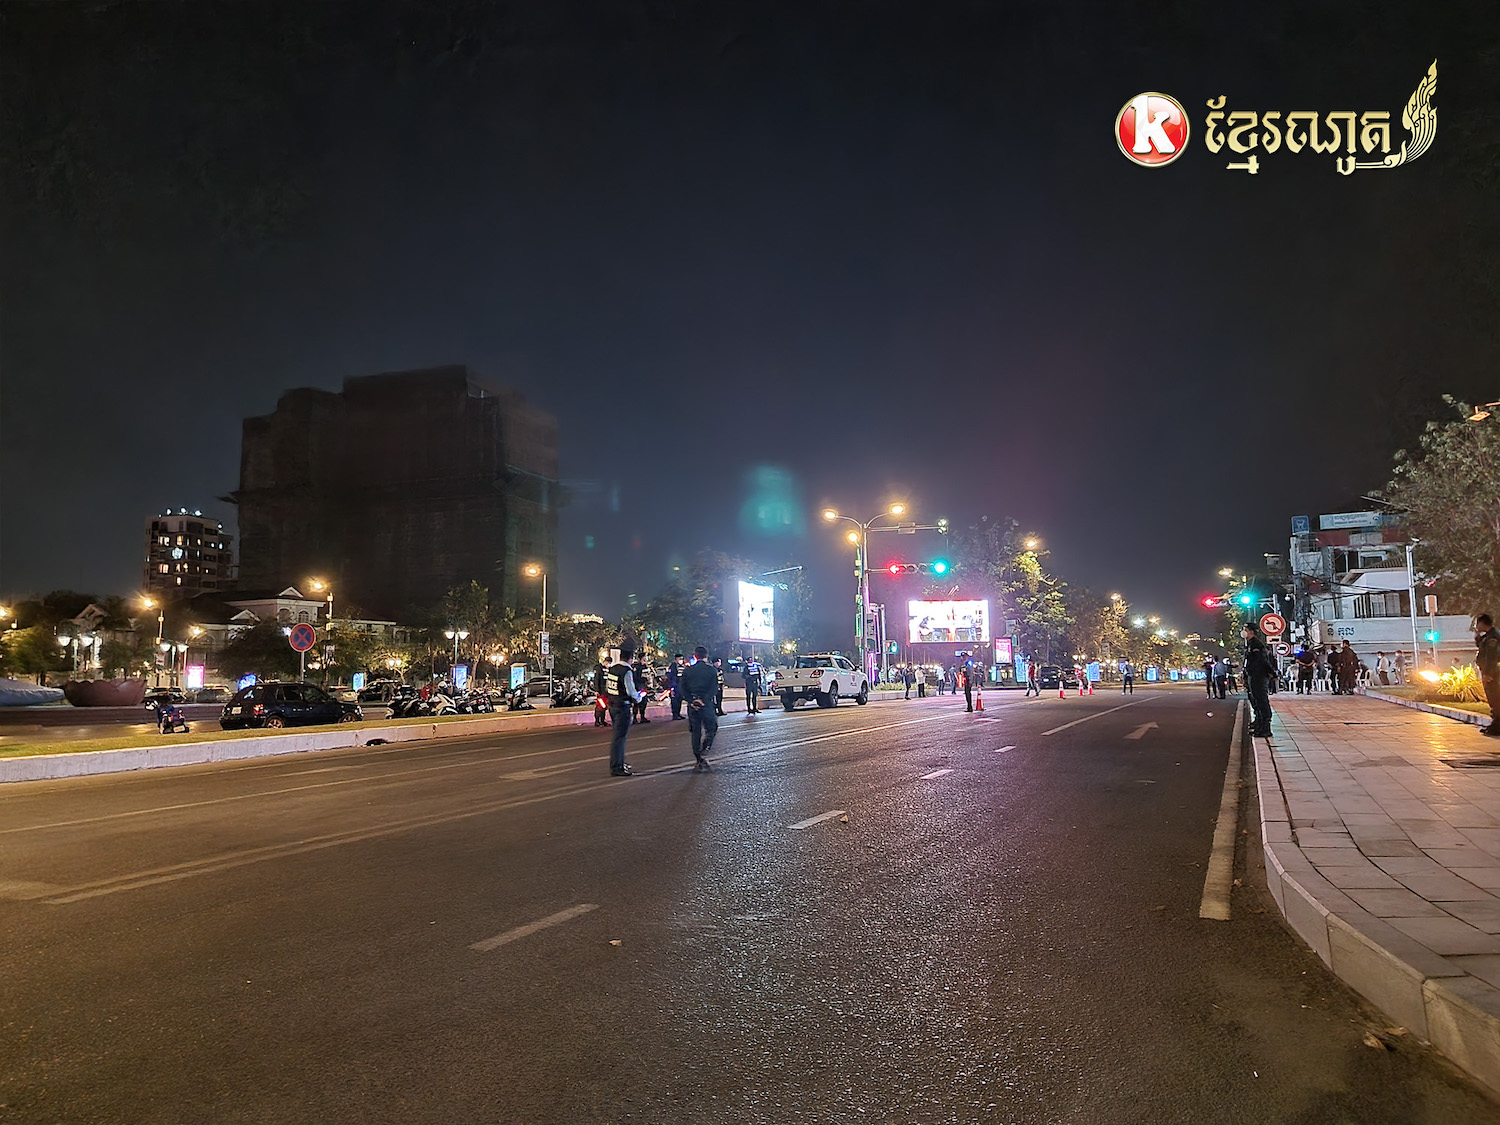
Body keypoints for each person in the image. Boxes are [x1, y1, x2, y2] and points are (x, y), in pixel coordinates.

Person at [603, 642, 645, 776]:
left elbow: (608, 687)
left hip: (613, 705)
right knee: (620, 738)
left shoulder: (613, 669)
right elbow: (630, 691)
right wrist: (639, 697)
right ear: (630, 659)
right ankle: (617, 767)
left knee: (617, 736)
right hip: (623, 706)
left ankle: (618, 762)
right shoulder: (627, 671)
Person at [680, 645, 719, 769]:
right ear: (706, 656)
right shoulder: (711, 670)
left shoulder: (687, 670)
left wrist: (691, 701)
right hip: (706, 704)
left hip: (692, 704)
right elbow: (714, 688)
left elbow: (682, 688)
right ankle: (705, 749)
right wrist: (703, 700)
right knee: (712, 728)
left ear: (695, 656)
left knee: (695, 731)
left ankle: (698, 758)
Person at [1242, 623, 1276, 738]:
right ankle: (1259, 726)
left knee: (1262, 701)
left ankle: (1266, 728)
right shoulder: (1250, 644)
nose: (1244, 632)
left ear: (1252, 631)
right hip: (1253, 675)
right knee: (1256, 701)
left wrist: (1272, 673)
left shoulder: (1257, 644)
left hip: (1259, 676)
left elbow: (1262, 661)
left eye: (1246, 630)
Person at [1476, 614, 1500, 737]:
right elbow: (1482, 647)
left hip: (1493, 674)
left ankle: (1497, 725)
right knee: (1492, 699)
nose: (1476, 626)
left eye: (1478, 623)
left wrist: (1488, 674)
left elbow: (1491, 657)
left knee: (1495, 698)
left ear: (1482, 623)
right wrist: (1477, 637)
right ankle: (1495, 724)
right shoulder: (1487, 636)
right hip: (1490, 672)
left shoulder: (1493, 637)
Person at [631, 655, 652, 723]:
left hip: (644, 686)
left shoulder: (645, 667)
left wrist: (648, 684)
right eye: (644, 657)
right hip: (638, 687)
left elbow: (648, 676)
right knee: (636, 703)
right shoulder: (637, 667)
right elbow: (635, 678)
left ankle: (642, 717)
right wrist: (637, 687)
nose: (646, 659)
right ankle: (634, 718)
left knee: (644, 702)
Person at [666, 653, 685, 720]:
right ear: (676, 659)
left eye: (682, 659)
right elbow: (670, 676)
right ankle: (675, 714)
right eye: (680, 659)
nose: (681, 660)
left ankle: (678, 713)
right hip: (674, 686)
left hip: (681, 686)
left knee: (679, 700)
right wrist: (671, 686)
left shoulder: (683, 666)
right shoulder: (673, 666)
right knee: (674, 701)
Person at [591, 662, 609, 727]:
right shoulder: (598, 668)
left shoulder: (607, 669)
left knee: (604, 706)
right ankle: (597, 721)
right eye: (608, 663)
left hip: (605, 691)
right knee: (599, 706)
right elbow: (596, 680)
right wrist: (596, 690)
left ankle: (602, 720)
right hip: (600, 691)